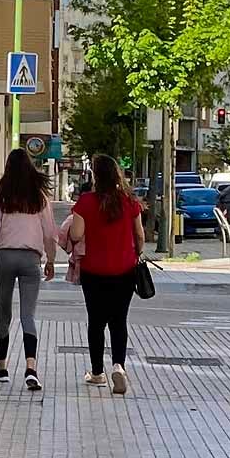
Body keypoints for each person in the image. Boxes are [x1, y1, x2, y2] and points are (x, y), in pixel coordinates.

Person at [0, 149, 57, 391]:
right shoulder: (39, 197)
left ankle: (1, 368)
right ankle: (31, 368)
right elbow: (49, 233)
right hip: (31, 260)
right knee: (27, 315)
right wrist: (50, 259)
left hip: (5, 258)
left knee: (3, 315)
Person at [75, 154, 145, 395]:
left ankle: (97, 372)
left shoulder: (86, 202)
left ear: (95, 176)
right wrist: (135, 251)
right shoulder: (129, 202)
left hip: (93, 271)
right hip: (124, 270)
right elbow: (140, 237)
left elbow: (76, 234)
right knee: (119, 320)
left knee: (96, 321)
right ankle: (119, 366)